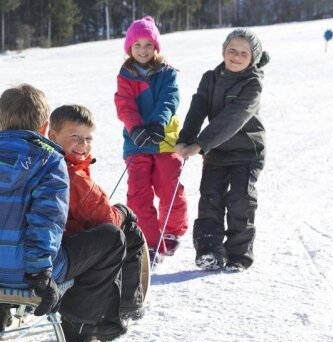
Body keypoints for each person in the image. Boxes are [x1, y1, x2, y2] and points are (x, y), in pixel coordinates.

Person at [0, 84, 128, 342]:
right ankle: (80, 321)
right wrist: (39, 274)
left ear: (1, 122)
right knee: (112, 237)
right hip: (34, 275)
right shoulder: (50, 163)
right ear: (44, 127)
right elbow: (47, 219)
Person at [175, 28, 269, 273]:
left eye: (243, 53)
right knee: (210, 198)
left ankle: (238, 255)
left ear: (252, 58)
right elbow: (198, 108)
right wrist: (185, 139)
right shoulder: (211, 78)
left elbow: (233, 118)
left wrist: (200, 144)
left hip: (246, 151)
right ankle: (209, 251)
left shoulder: (252, 83)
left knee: (240, 199)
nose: (236, 56)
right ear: (224, 52)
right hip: (217, 151)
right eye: (232, 50)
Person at [48, 104, 148, 319]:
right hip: (66, 250)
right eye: (75, 136)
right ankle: (128, 304)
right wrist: (123, 211)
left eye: (88, 138)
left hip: (54, 243)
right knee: (128, 232)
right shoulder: (73, 176)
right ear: (53, 135)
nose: (83, 144)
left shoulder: (41, 162)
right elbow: (107, 218)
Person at [114, 16, 188, 264]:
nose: (143, 50)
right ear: (130, 48)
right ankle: (149, 242)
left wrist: (158, 122)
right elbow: (124, 104)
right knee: (138, 193)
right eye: (138, 45)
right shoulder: (125, 75)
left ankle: (171, 230)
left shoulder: (166, 73)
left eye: (148, 44)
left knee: (169, 184)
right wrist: (135, 128)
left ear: (155, 46)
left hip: (164, 139)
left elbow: (170, 99)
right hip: (137, 142)